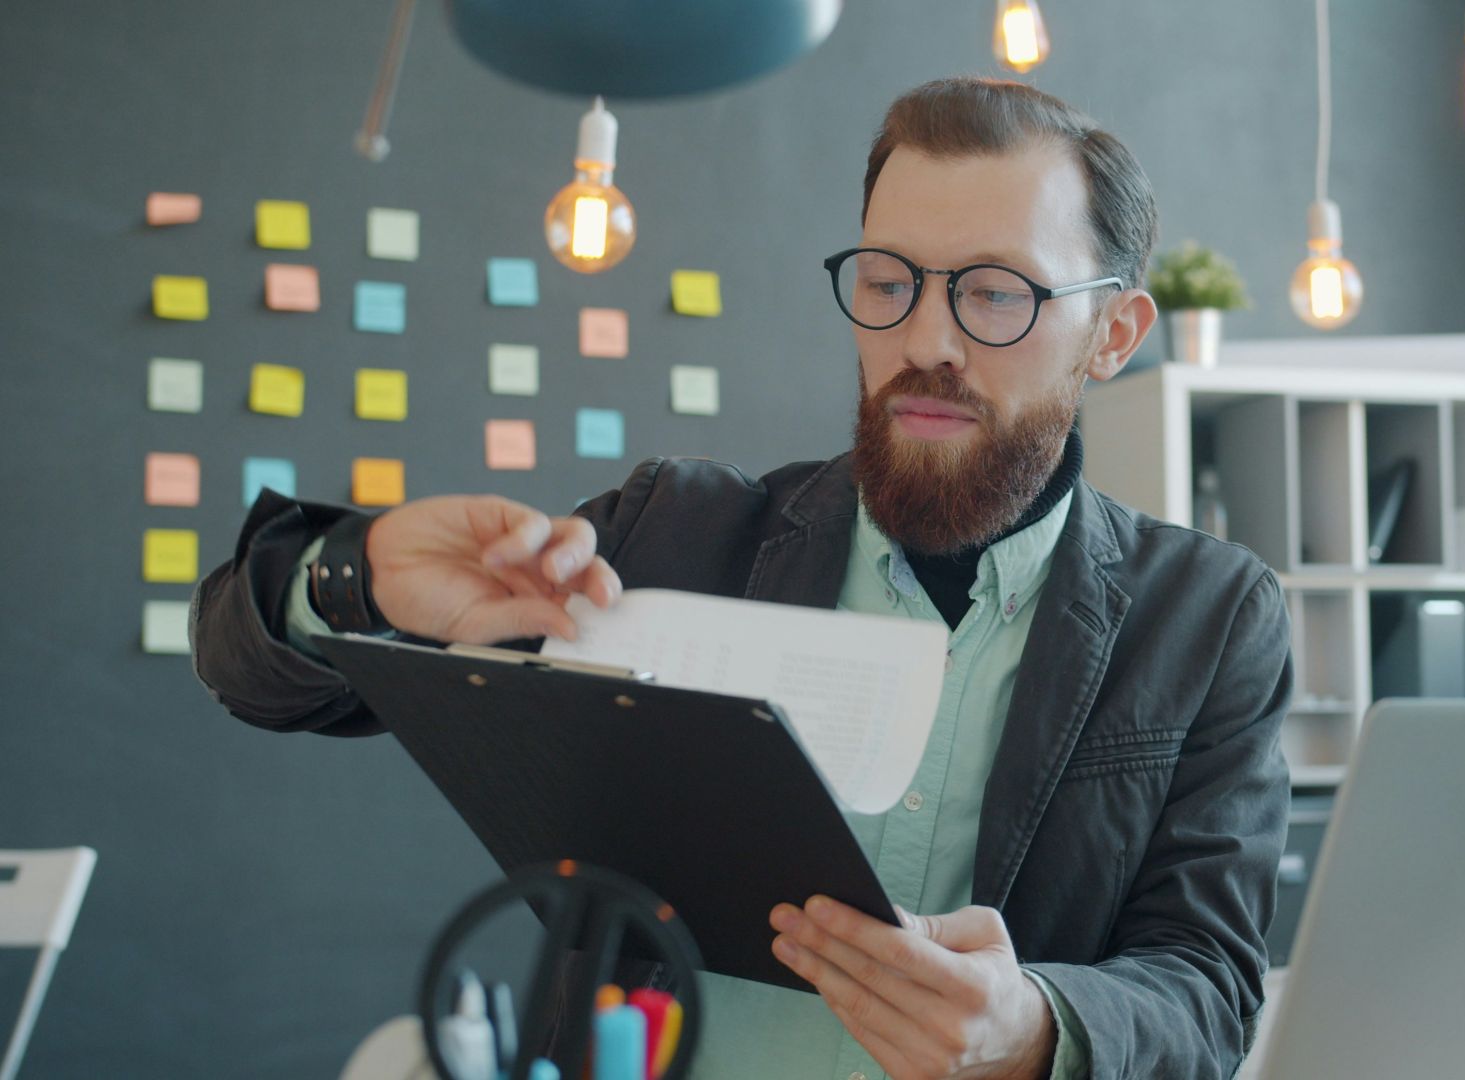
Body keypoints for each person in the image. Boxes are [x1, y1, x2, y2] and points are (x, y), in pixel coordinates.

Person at [191, 76, 1292, 1080]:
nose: (927, 339)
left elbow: (1208, 985)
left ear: (1113, 332)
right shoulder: (671, 536)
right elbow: (253, 676)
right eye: (888, 279)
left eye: (997, 294)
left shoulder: (1209, 621)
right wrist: (359, 579)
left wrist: (1038, 1027)